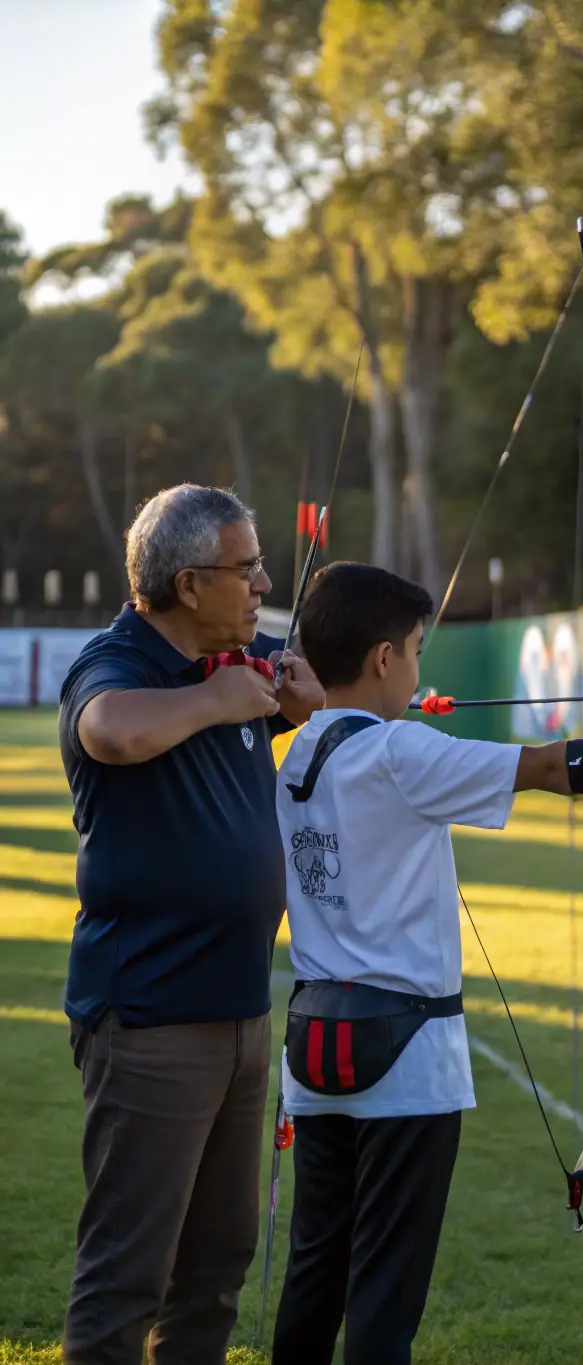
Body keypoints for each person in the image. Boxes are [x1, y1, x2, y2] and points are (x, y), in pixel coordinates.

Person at [270, 561, 583, 1365]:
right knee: (384, 1301)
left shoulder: (294, 752)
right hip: (405, 1068)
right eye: (416, 651)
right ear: (384, 658)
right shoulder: (399, 755)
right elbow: (543, 767)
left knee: (314, 1276)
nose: (420, 669)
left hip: (314, 1054)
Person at [58, 484, 325, 1365]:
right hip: (150, 1020)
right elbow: (112, 733)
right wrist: (226, 701)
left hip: (240, 1014)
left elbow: (288, 700)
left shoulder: (235, 659)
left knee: (215, 1267)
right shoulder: (119, 661)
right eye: (245, 569)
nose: (261, 584)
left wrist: (293, 702)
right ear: (186, 584)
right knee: (129, 1275)